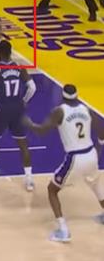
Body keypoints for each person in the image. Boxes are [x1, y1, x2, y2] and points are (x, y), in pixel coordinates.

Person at [23, 84, 104, 242]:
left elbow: (42, 131)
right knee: (96, 185)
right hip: (91, 153)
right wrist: (99, 148)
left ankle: (63, 230)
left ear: (62, 96)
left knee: (52, 190)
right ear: (77, 96)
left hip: (75, 158)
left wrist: (29, 123)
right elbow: (101, 132)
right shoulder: (86, 109)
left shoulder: (59, 111)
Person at [0, 40, 37, 191]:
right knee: (22, 143)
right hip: (17, 108)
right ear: (10, 52)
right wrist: (24, 100)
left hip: (2, 108)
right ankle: (29, 180)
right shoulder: (20, 67)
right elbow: (32, 87)